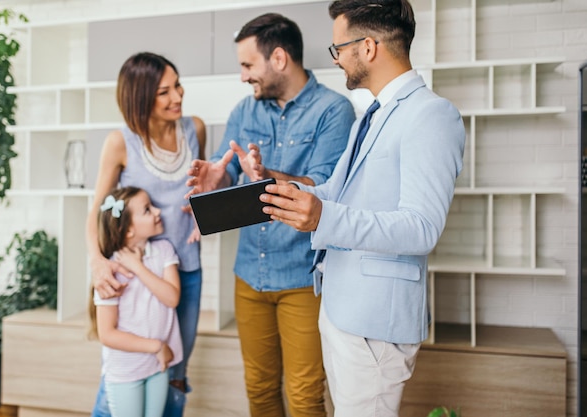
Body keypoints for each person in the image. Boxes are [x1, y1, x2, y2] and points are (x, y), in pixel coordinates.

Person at [258, 1, 466, 416]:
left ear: (367, 47)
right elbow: (337, 189)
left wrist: (322, 217)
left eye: (339, 48)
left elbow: (421, 227)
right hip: (341, 306)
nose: (336, 59)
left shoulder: (431, 116)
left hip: (375, 323)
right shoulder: (370, 115)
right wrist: (277, 184)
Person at [186, 13, 356, 417]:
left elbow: (325, 188)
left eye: (248, 65)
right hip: (249, 275)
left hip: (304, 277)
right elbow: (228, 169)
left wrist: (266, 177)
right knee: (259, 392)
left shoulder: (334, 111)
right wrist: (217, 177)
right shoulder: (245, 112)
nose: (243, 76)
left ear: (278, 58)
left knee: (304, 396)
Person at [87, 52, 206, 417]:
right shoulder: (120, 143)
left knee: (173, 367)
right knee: (127, 367)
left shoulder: (195, 129)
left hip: (184, 270)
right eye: (164, 92)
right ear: (140, 98)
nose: (177, 97)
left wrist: (206, 208)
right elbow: (98, 209)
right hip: (136, 274)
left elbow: (203, 187)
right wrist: (96, 262)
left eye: (178, 86)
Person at [88, 187, 183, 417]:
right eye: (148, 210)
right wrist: (157, 346)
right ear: (129, 229)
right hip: (127, 370)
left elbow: (172, 298)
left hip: (158, 365)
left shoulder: (163, 251)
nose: (158, 211)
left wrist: (138, 267)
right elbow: (107, 334)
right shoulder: (109, 273)